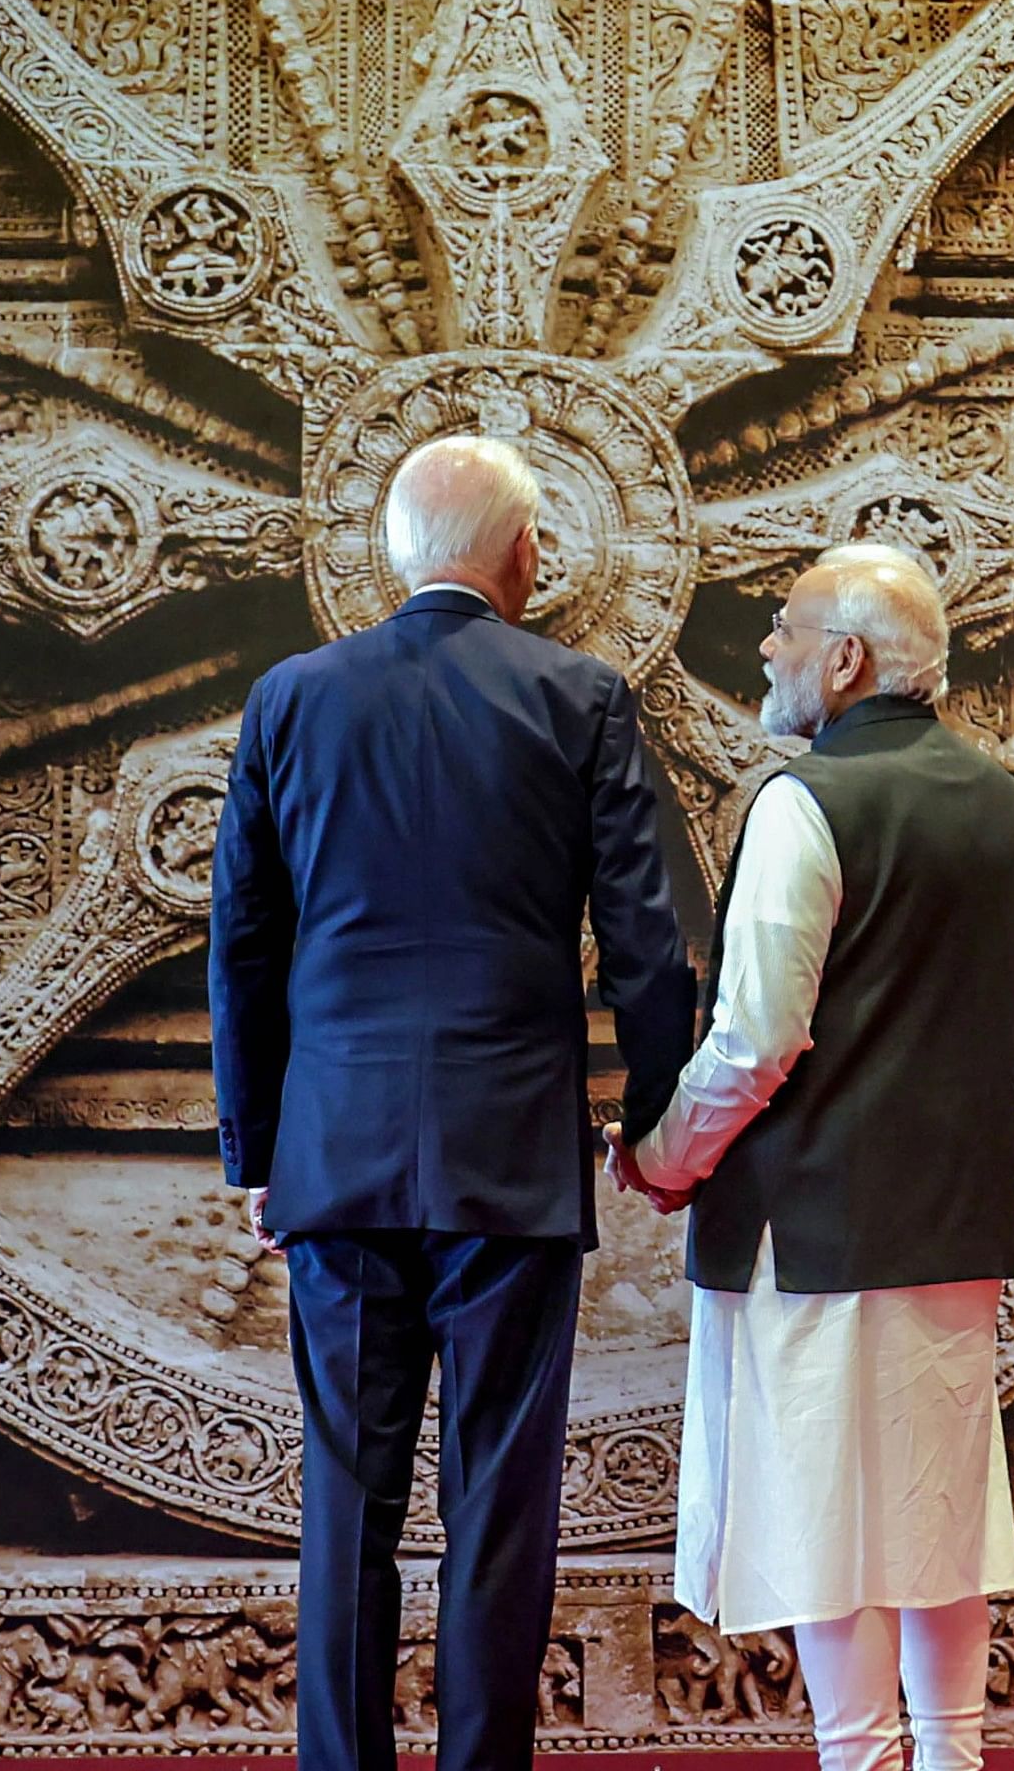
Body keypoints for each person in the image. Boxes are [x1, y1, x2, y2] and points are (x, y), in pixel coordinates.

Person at [210, 434, 697, 1771]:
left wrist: (257, 1146)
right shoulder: (578, 696)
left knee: (347, 1499)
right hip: (513, 1159)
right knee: (500, 1503)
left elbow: (243, 941)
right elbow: (644, 940)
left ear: (393, 554)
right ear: (525, 553)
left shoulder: (292, 699)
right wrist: (656, 1118)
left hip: (338, 1157)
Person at [610, 543, 1014, 1771]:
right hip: (949, 1222)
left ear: (845, 659)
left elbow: (753, 1036)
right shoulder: (999, 800)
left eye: (787, 628)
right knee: (939, 1517)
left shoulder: (803, 803)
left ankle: (858, 1759)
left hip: (811, 1228)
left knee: (825, 1516)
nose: (767, 649)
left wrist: (662, 1157)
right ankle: (950, 1757)